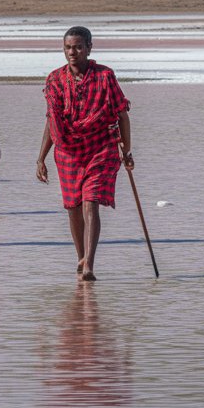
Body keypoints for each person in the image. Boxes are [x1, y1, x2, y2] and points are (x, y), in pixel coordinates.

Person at [36, 25, 133, 281]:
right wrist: (41, 157)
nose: (73, 52)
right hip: (67, 151)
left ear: (89, 48)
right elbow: (52, 120)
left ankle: (89, 264)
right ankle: (81, 257)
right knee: (73, 207)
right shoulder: (55, 79)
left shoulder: (105, 76)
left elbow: (122, 113)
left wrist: (127, 149)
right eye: (68, 47)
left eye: (78, 47)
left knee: (91, 203)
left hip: (101, 148)